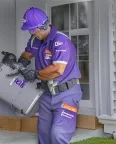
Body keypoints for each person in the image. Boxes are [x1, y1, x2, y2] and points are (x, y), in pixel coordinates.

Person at [18, 7, 83, 144]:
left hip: (66, 94)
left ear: (41, 26)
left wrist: (35, 74)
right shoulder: (34, 40)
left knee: (58, 134)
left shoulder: (60, 41)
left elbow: (57, 70)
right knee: (44, 135)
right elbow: (28, 53)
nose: (32, 33)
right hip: (46, 94)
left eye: (32, 30)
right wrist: (21, 62)